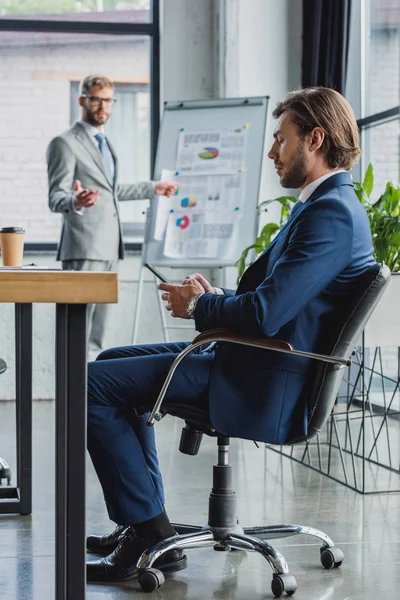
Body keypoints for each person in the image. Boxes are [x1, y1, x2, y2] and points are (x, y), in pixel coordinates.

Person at [85, 87, 376, 583]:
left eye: (280, 140)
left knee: (91, 385)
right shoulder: (325, 205)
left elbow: (265, 315)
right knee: (110, 358)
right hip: (251, 358)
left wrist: (199, 305)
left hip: (263, 376)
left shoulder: (331, 214)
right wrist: (215, 293)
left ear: (316, 139)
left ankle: (149, 532)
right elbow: (277, 301)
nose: (271, 153)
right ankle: (147, 525)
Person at [46, 74, 178, 360]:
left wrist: (153, 188)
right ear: (82, 100)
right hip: (83, 248)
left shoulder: (103, 143)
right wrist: (75, 200)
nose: (102, 106)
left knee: (98, 335)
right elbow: (55, 197)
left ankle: (89, 396)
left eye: (108, 100)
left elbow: (110, 191)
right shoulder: (64, 143)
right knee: (76, 329)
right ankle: (72, 398)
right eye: (96, 99)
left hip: (109, 247)